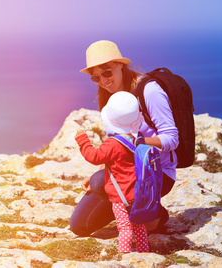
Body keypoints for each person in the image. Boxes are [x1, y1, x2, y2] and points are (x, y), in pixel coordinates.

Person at [70, 40, 178, 236]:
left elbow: (171, 139)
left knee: (98, 183)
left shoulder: (149, 91)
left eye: (107, 72)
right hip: (123, 173)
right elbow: (116, 143)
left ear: (121, 65)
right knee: (80, 225)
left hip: (155, 173)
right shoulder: (109, 96)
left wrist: (138, 143)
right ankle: (139, 214)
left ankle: (153, 215)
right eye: (95, 77)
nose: (103, 81)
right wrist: (103, 169)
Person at [75, 91, 149, 253]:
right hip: (137, 194)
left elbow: (94, 157)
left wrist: (83, 141)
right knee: (138, 226)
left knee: (124, 228)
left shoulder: (112, 144)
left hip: (120, 197)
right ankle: (144, 252)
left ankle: (124, 254)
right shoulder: (138, 140)